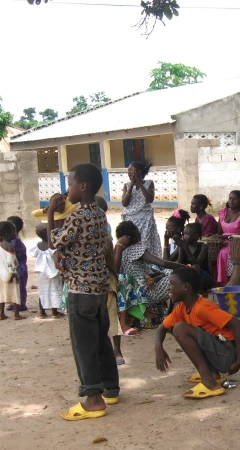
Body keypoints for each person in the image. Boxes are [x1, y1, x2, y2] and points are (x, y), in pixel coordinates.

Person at [47, 163, 119, 421]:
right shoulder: (99, 214)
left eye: (71, 184)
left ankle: (93, 399)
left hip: (81, 291)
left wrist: (51, 213)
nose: (68, 191)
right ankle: (111, 388)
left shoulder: (77, 217)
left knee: (84, 346)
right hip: (99, 289)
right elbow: (78, 247)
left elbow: (53, 241)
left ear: (83, 186)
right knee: (101, 342)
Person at [155, 266, 240, 399]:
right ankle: (212, 374)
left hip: (227, 355)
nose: (169, 288)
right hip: (218, 354)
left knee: (180, 329)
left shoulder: (202, 307)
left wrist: (239, 360)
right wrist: (158, 348)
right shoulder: (182, 308)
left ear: (186, 287)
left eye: (172, 284)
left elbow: (238, 325)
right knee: (177, 329)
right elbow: (161, 328)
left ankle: (209, 382)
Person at [115, 220, 185, 335]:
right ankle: (173, 316)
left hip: (137, 294)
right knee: (179, 277)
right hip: (147, 293)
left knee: (167, 272)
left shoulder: (121, 252)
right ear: (135, 235)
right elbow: (162, 263)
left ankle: (171, 314)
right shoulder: (136, 249)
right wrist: (185, 267)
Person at [94, 195, 125, 366]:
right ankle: (112, 351)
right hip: (94, 281)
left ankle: (116, 351)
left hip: (105, 279)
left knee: (110, 314)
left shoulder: (105, 234)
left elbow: (110, 261)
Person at [121, 161, 162, 256]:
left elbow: (150, 199)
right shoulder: (127, 185)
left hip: (145, 220)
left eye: (132, 170)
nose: (130, 173)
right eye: (129, 171)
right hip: (130, 220)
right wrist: (131, 185)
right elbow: (124, 203)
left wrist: (139, 183)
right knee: (131, 242)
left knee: (145, 243)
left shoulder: (149, 183)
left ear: (140, 172)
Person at [216, 190, 240, 286]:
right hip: (223, 241)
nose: (231, 201)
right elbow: (219, 231)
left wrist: (225, 236)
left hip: (237, 242)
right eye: (230, 198)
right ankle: (219, 282)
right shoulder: (223, 212)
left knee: (225, 252)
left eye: (235, 199)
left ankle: (231, 281)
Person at [29, 223, 64, 318]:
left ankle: (42, 312)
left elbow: (35, 255)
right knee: (54, 290)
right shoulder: (53, 246)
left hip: (41, 272)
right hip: (53, 271)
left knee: (43, 291)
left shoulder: (37, 246)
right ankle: (54, 312)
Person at [0, 220, 24, 321]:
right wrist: (14, 274)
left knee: (1, 294)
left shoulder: (0, 245)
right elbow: (11, 262)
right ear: (7, 234)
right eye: (14, 231)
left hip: (0, 274)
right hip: (9, 274)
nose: (15, 234)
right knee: (15, 294)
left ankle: (2, 314)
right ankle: (16, 314)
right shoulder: (10, 246)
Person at [175, 223, 213, 291]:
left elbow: (197, 265)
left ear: (196, 236)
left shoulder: (204, 246)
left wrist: (186, 249)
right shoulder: (184, 246)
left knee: (194, 268)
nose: (184, 237)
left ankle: (199, 293)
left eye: (187, 234)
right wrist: (181, 248)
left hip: (203, 276)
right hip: (188, 275)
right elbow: (179, 264)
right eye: (184, 234)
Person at [7, 215, 28, 312]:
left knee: (20, 287)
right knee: (13, 287)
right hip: (14, 268)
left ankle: (21, 304)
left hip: (20, 268)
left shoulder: (16, 242)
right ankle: (14, 303)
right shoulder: (11, 241)